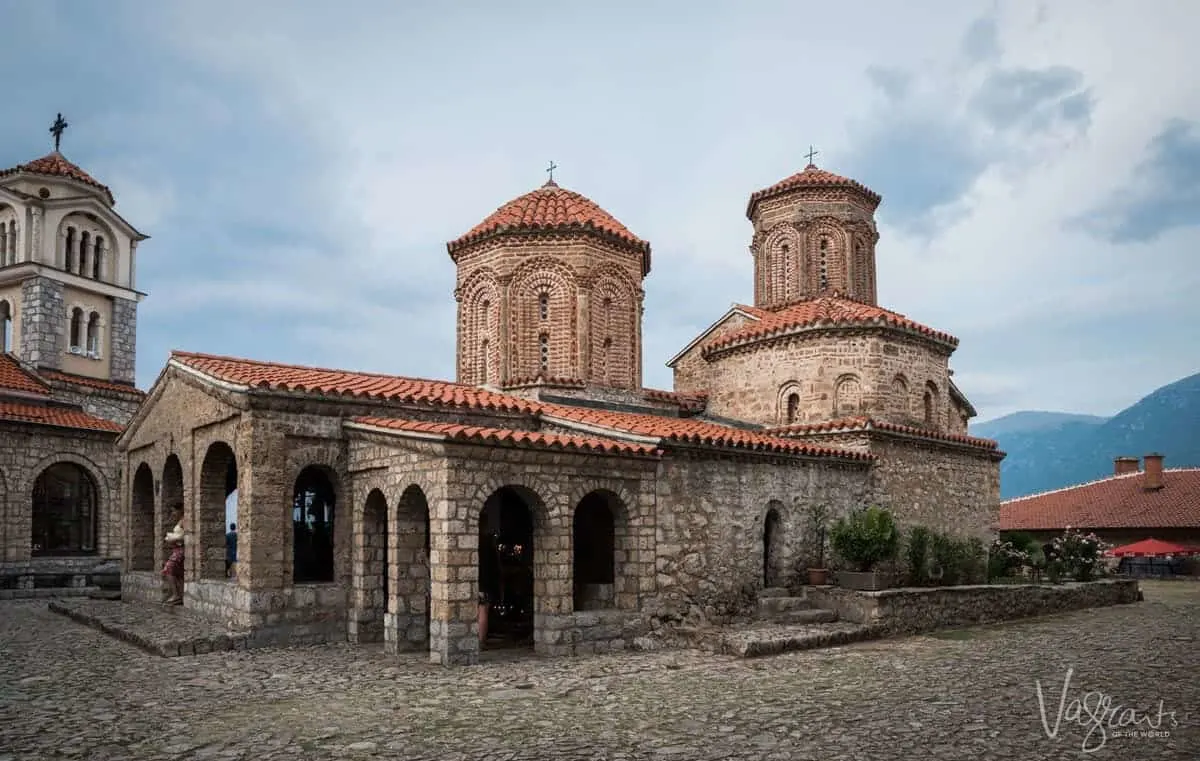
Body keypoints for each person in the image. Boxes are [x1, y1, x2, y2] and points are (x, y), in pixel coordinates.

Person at [162, 506, 185, 605]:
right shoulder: (179, 521)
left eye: (174, 511)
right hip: (176, 549)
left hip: (180, 550)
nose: (172, 513)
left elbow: (186, 536)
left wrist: (174, 539)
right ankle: (179, 594)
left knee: (168, 569)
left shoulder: (184, 521)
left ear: (180, 510)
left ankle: (176, 595)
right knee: (177, 573)